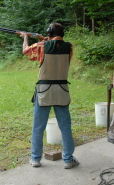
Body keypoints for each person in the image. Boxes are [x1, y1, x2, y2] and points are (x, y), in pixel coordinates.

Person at [18, 22, 79, 169]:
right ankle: (68, 159)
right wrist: (45, 40)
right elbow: (55, 48)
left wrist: (25, 37)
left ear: (49, 32)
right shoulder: (69, 47)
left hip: (44, 90)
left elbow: (26, 51)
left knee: (38, 127)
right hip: (61, 90)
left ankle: (35, 159)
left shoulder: (41, 46)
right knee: (65, 127)